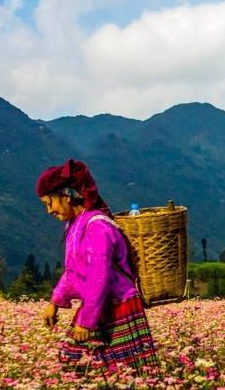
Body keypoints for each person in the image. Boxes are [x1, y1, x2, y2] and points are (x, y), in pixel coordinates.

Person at [36, 159, 156, 374]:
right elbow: (73, 270)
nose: (49, 210)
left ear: (66, 196)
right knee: (81, 365)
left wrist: (87, 320)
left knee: (125, 375)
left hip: (118, 306)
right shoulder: (75, 224)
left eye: (49, 202)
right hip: (98, 305)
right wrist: (54, 302)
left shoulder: (98, 226)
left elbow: (98, 276)